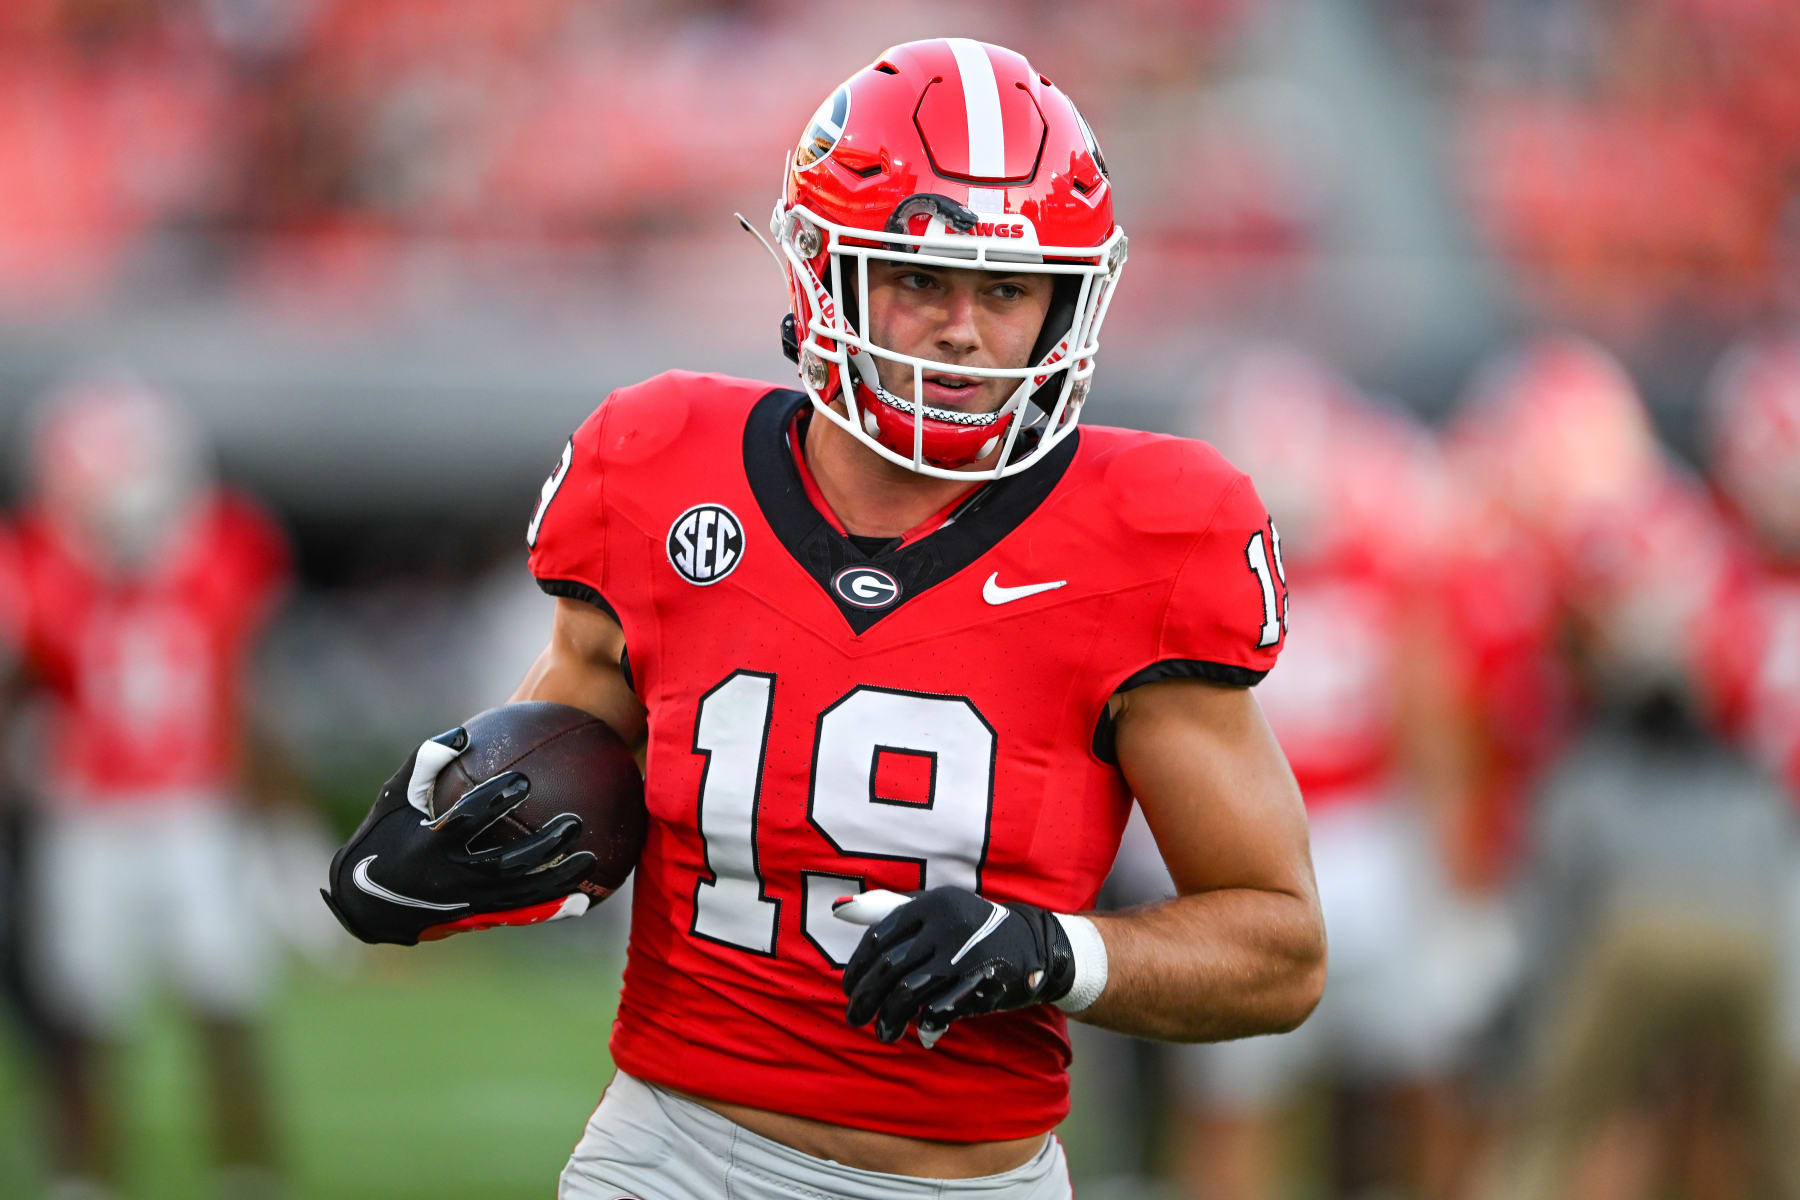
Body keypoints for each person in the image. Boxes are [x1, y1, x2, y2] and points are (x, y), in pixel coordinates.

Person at [322, 38, 1326, 1200]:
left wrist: (1062, 950)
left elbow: (1280, 949)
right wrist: (426, 857)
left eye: (1006, 290)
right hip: (673, 1154)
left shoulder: (1150, 531)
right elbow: (566, 794)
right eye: (918, 279)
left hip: (966, 1180)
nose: (963, 330)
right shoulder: (661, 465)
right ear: (824, 275)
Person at [0, 373, 293, 1200]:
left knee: (225, 995)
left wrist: (279, 818)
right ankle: (82, 1174)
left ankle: (249, 1168)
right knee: (81, 1009)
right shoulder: (34, 559)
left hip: (192, 809)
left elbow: (246, 693)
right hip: (86, 813)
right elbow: (20, 690)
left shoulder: (224, 544)